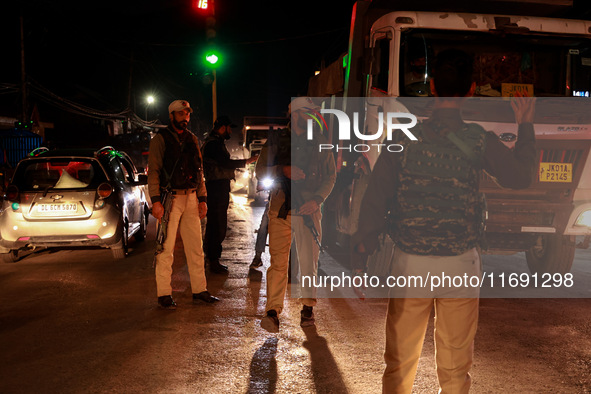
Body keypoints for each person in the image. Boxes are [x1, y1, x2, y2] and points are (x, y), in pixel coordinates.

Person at [354, 49, 536, 393]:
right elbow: (521, 177)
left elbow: (375, 200)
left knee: (399, 365)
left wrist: (361, 254)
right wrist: (525, 125)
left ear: (432, 87)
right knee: (455, 370)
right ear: (471, 90)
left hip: (411, 264)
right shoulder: (479, 139)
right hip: (460, 264)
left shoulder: (402, 141)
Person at [256, 97, 336, 332]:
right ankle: (272, 312)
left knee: (308, 264)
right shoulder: (276, 141)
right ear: (295, 114)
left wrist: (317, 200)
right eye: (307, 112)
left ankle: (307, 309)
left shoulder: (319, 141)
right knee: (278, 264)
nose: (312, 116)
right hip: (281, 210)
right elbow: (260, 170)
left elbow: (330, 176)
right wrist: (283, 170)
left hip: (308, 211)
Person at [148, 99, 220, 309]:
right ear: (171, 116)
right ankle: (164, 294)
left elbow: (199, 172)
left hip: (190, 197)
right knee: (165, 248)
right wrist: (155, 201)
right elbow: (153, 171)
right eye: (181, 114)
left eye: (187, 114)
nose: (185, 118)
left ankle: (200, 290)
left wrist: (202, 199)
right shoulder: (160, 139)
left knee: (196, 248)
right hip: (169, 199)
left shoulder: (192, 139)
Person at [202, 115, 258, 274]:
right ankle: (212, 261)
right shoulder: (213, 144)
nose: (230, 132)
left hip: (218, 187)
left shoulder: (216, 142)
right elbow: (224, 163)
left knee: (217, 224)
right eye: (228, 128)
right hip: (216, 188)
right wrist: (247, 161)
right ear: (222, 127)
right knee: (217, 225)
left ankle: (213, 259)